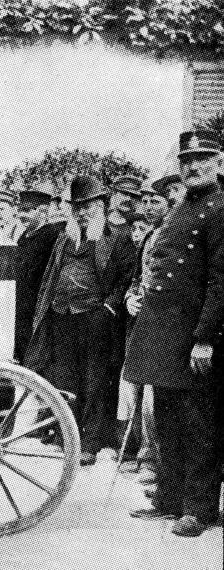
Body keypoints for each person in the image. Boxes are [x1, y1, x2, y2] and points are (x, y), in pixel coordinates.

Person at [123, 130, 224, 537]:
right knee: (167, 417)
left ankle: (199, 510)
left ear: (219, 162)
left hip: (195, 333)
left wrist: (205, 337)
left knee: (200, 421)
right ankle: (170, 498)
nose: (193, 166)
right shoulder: (182, 206)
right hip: (165, 330)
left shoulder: (220, 209)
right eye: (186, 160)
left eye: (202, 159)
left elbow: (221, 280)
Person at [24, 175, 135, 466]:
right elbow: (50, 275)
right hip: (61, 315)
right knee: (65, 378)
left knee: (95, 378)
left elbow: (126, 277)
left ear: (101, 205)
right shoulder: (64, 239)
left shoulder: (117, 239)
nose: (82, 212)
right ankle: (69, 435)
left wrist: (110, 307)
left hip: (95, 318)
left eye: (88, 206)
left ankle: (91, 443)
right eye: (77, 207)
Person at [118, 178, 172, 483]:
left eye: (156, 201)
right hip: (142, 320)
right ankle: (143, 454)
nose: (149, 207)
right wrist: (130, 298)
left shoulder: (172, 232)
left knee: (155, 394)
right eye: (146, 201)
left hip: (164, 321)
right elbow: (138, 278)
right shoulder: (150, 236)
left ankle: (154, 460)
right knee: (134, 386)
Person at [14, 183, 66, 362]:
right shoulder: (23, 238)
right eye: (20, 210)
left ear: (43, 211)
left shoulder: (52, 236)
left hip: (40, 309)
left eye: (27, 210)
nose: (22, 215)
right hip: (22, 307)